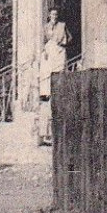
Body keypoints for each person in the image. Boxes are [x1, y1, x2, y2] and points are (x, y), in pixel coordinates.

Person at [36, 9, 70, 146]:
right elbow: (43, 40)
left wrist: (62, 44)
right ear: (49, 16)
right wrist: (44, 49)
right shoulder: (46, 27)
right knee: (47, 72)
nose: (54, 17)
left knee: (59, 69)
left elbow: (69, 38)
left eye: (56, 14)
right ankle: (47, 90)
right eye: (52, 15)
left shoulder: (62, 26)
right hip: (49, 51)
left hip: (58, 50)